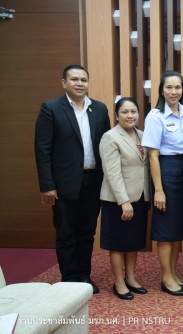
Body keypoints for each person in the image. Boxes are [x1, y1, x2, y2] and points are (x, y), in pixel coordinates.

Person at [34, 64, 111, 293]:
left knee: (87, 232)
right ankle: (69, 280)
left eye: (84, 80)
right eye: (74, 79)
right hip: (63, 184)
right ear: (64, 83)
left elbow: (106, 146)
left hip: (93, 181)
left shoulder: (99, 109)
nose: (80, 84)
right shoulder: (51, 108)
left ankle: (84, 277)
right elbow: (42, 148)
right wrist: (47, 185)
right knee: (66, 232)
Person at [142, 70, 183, 296]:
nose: (174, 92)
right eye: (169, 88)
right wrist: (159, 190)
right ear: (161, 90)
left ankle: (174, 274)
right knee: (166, 229)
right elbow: (153, 156)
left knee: (178, 229)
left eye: (178, 87)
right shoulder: (155, 116)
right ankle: (166, 278)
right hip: (167, 170)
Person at [99, 97, 149, 300]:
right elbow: (112, 173)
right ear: (116, 115)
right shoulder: (110, 137)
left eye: (133, 111)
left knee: (133, 241)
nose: (130, 115)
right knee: (118, 242)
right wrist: (124, 201)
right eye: (125, 112)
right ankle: (118, 282)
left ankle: (131, 278)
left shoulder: (143, 135)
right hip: (118, 200)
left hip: (140, 196)